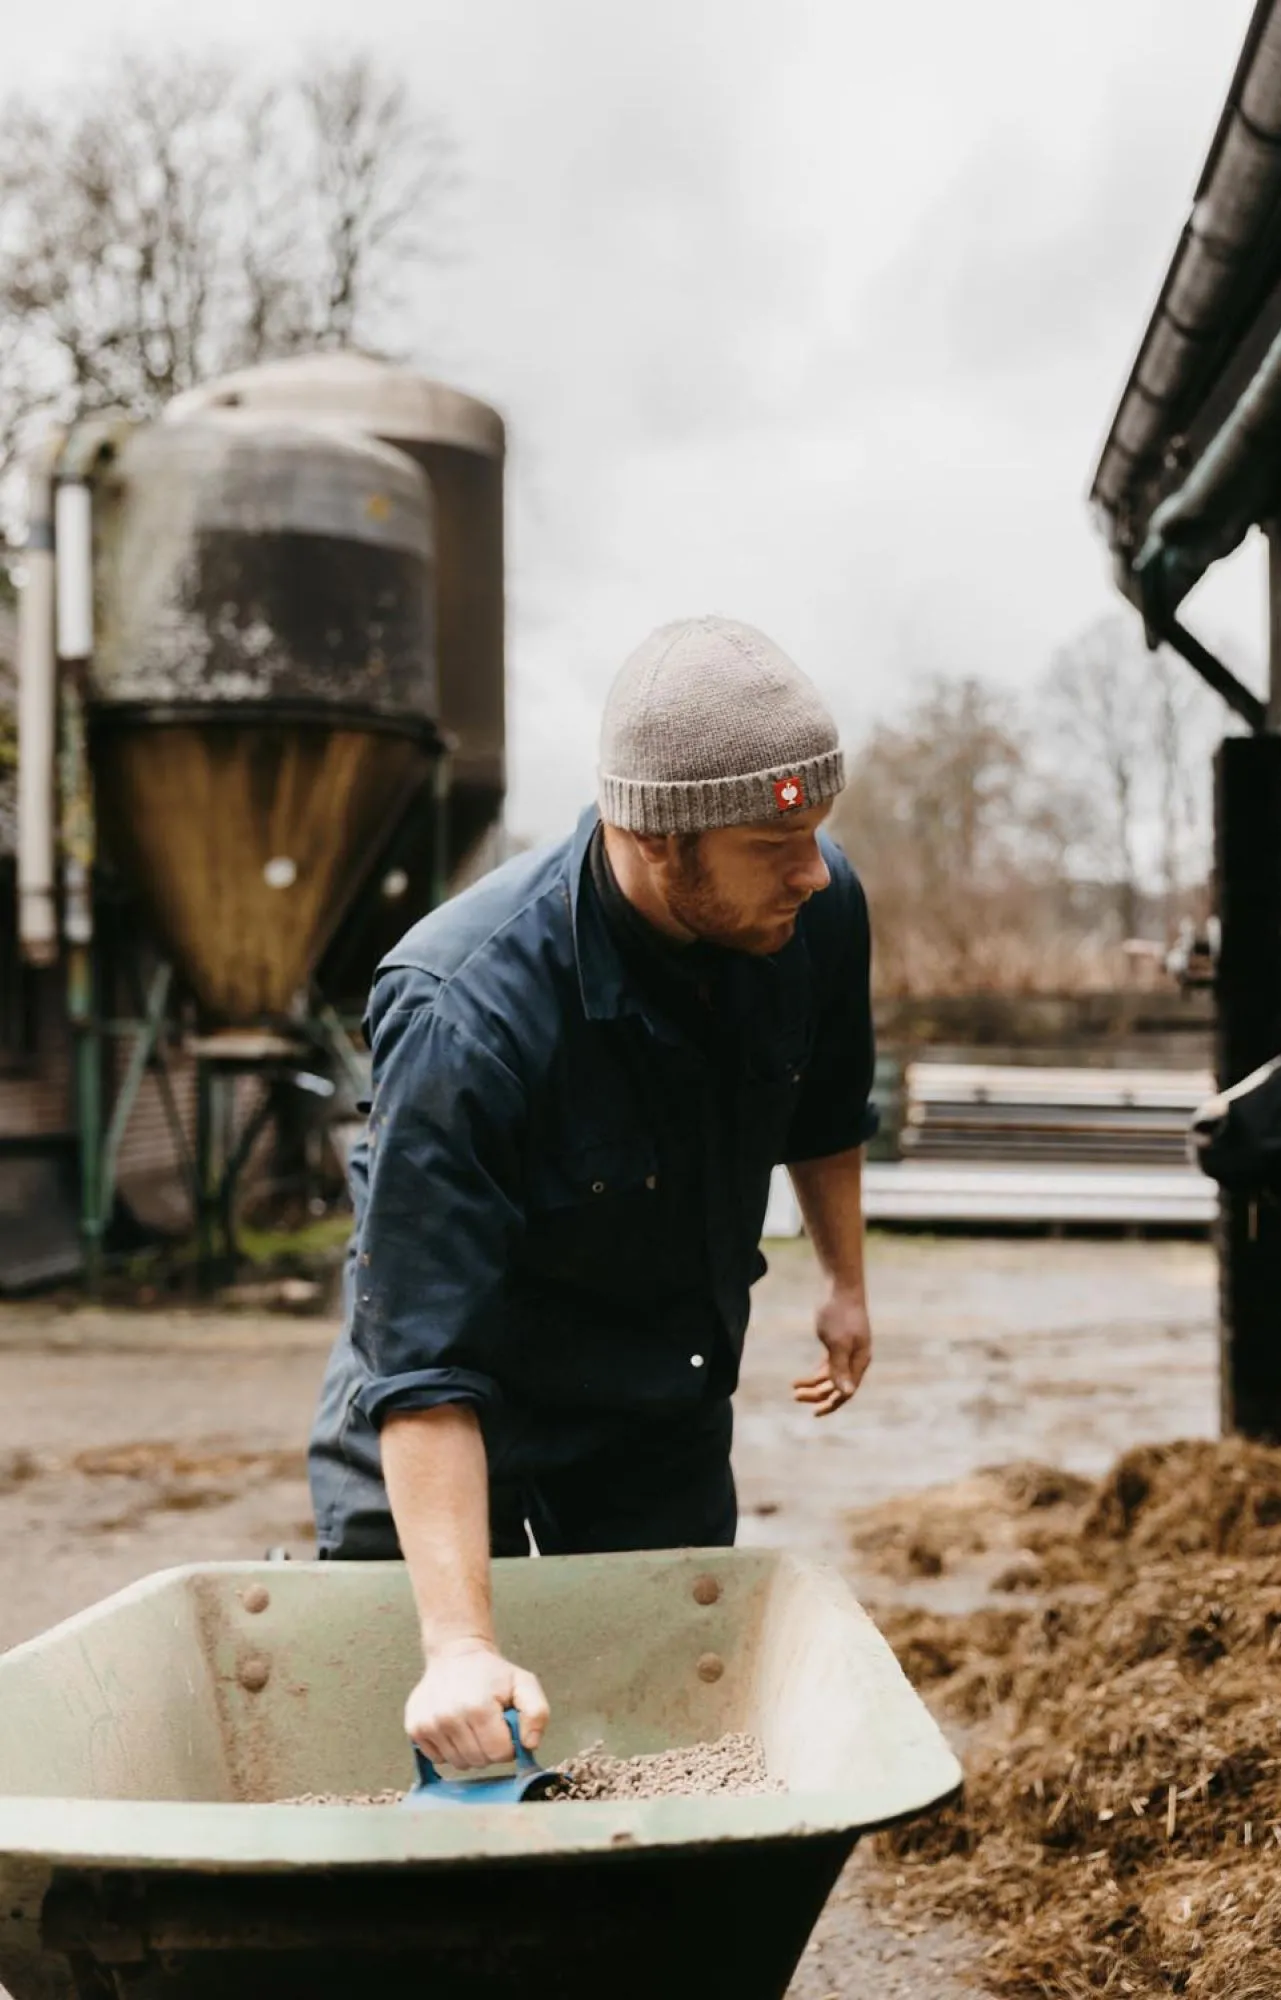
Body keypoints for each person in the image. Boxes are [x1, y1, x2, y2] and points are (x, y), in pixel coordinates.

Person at [308, 614, 877, 1772]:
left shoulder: (813, 912)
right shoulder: (464, 1010)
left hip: (652, 1396)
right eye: (774, 845)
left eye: (816, 830)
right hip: (460, 1399)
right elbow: (422, 1352)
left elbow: (824, 1104)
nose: (811, 870)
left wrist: (844, 1280)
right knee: (423, 1725)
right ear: (657, 840)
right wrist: (460, 1642)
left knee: (657, 1738)